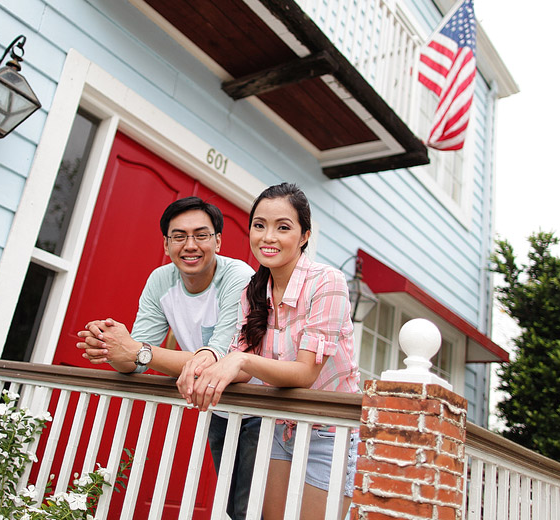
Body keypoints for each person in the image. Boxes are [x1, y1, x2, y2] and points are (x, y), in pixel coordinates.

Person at [177, 183, 360, 520]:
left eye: (283, 227)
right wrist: (206, 362)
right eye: (259, 225)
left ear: (304, 236)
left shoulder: (327, 283)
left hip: (328, 432)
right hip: (279, 426)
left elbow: (305, 373)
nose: (268, 237)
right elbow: (241, 365)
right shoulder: (254, 290)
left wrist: (240, 359)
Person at [77, 196, 259, 520]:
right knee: (235, 508)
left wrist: (136, 350)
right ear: (166, 244)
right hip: (221, 408)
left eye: (201, 235)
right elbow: (134, 359)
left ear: (218, 240)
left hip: (261, 405)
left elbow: (220, 359)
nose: (190, 245)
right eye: (179, 236)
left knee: (254, 508)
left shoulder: (238, 277)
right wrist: (108, 344)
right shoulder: (160, 280)